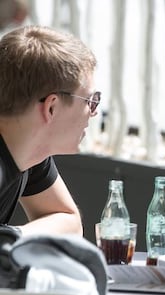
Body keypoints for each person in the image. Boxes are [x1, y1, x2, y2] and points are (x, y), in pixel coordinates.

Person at [0, 25, 100, 237]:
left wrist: (12, 239)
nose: (94, 112)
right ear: (51, 107)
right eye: (90, 101)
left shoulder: (30, 149)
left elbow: (69, 223)